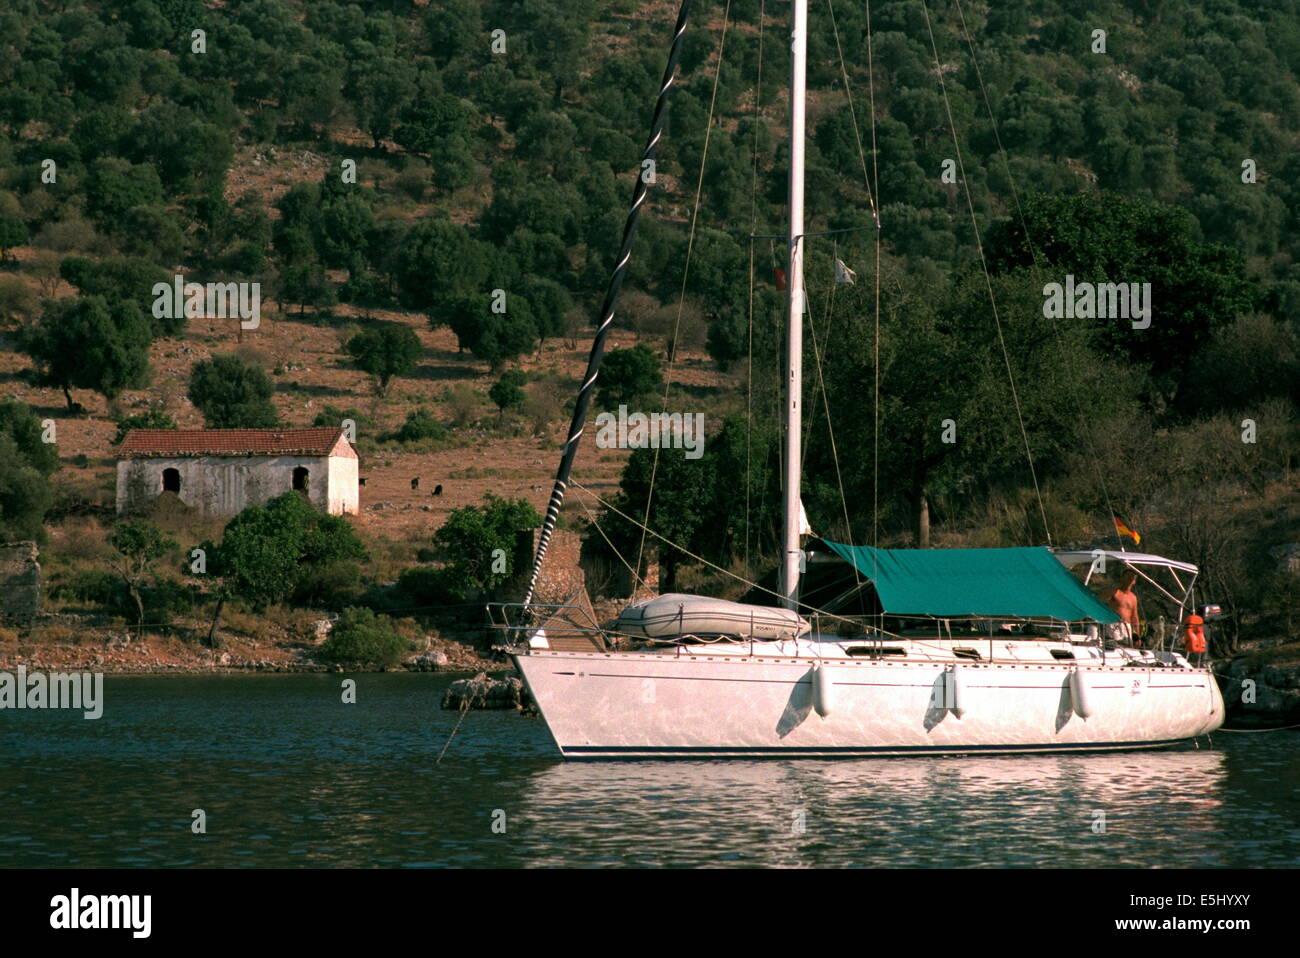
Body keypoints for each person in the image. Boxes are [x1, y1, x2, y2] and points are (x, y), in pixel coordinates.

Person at [1106, 570, 1140, 647]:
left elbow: (1134, 617)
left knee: (1128, 648)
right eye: (1127, 576)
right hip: (1114, 624)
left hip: (1127, 627)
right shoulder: (1115, 592)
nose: (1130, 578)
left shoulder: (1133, 598)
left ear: (1134, 581)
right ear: (1122, 578)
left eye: (1132, 577)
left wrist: (1137, 636)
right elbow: (1099, 601)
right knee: (1116, 647)